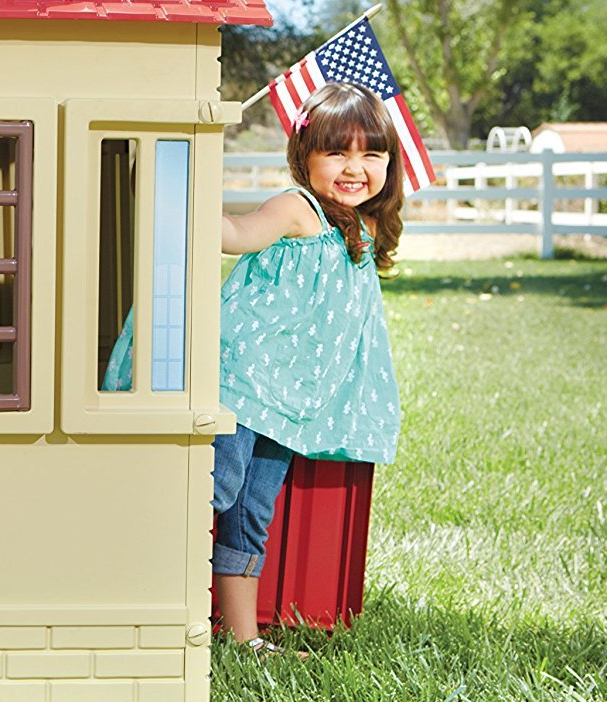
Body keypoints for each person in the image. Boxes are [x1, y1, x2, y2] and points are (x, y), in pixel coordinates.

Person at [103, 81, 403, 654]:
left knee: (248, 516)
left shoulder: (361, 230)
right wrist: (180, 197)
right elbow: (238, 235)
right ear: (304, 155)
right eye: (337, 151)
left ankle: (243, 640)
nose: (354, 167)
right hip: (243, 382)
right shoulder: (298, 209)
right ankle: (144, 607)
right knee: (209, 495)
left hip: (286, 403)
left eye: (371, 154)